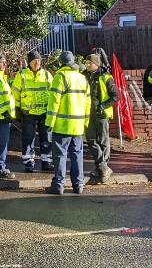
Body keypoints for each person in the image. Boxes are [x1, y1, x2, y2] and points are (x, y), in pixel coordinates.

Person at [45, 51, 90, 195]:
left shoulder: (60, 77)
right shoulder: (83, 78)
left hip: (62, 125)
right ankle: (78, 185)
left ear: (61, 63)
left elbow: (54, 103)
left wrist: (49, 123)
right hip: (78, 126)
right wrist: (85, 122)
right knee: (77, 155)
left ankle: (58, 185)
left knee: (60, 155)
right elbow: (88, 103)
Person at [12, 51, 53, 173]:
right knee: (28, 139)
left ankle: (47, 162)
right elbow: (15, 93)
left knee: (46, 139)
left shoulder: (46, 75)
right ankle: (29, 163)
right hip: (28, 113)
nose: (37, 63)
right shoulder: (22, 75)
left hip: (44, 113)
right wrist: (17, 109)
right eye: (34, 61)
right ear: (29, 62)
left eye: (39, 61)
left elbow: (53, 93)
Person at [83, 53, 119, 184]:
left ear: (96, 64)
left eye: (89, 63)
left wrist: (103, 105)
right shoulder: (83, 76)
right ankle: (102, 166)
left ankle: (101, 167)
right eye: (86, 63)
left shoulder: (106, 77)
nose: (87, 65)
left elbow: (115, 96)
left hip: (102, 114)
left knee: (103, 140)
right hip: (88, 114)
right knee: (91, 139)